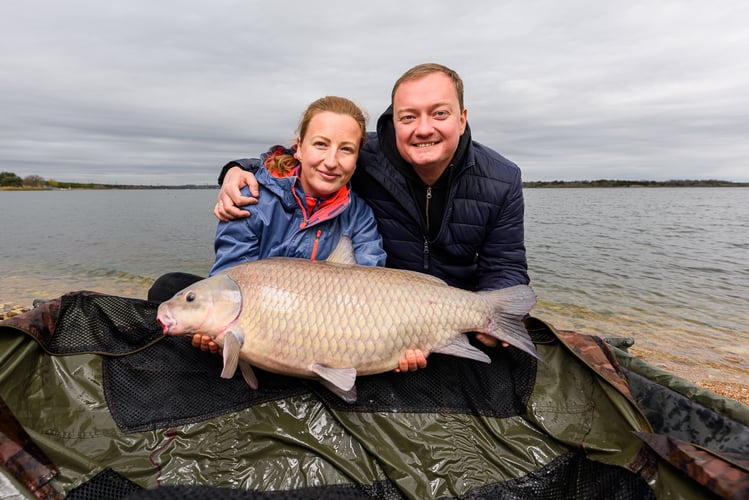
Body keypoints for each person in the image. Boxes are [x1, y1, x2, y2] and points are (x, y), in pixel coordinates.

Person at [214, 63, 529, 373]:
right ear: (394, 121)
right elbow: (303, 157)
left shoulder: (503, 179)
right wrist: (236, 170)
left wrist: (490, 320)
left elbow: (505, 263)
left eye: (439, 113)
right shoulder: (365, 156)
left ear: (462, 119)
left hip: (447, 307)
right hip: (380, 313)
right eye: (408, 117)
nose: (423, 129)